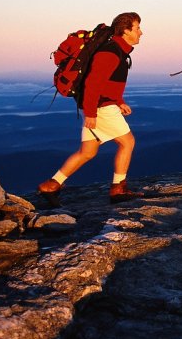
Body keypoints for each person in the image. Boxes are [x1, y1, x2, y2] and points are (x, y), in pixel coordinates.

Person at [37, 12, 144, 206]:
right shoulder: (110, 52)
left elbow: (108, 83)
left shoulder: (117, 51)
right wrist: (91, 114)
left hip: (102, 105)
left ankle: (51, 185)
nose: (141, 32)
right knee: (127, 142)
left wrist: (119, 101)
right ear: (126, 30)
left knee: (87, 152)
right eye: (137, 28)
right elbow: (93, 84)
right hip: (101, 108)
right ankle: (118, 188)